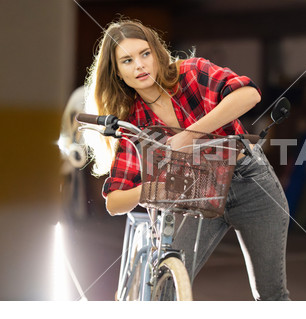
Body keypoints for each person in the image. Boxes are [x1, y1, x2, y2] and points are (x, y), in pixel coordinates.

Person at [84, 19, 290, 301]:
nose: (140, 66)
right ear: (117, 72)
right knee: (167, 287)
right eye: (127, 60)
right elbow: (114, 201)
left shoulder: (191, 73)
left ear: (157, 53)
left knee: (271, 296)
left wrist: (189, 136)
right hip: (196, 192)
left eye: (145, 54)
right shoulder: (135, 120)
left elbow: (249, 94)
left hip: (251, 183)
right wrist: (154, 188)